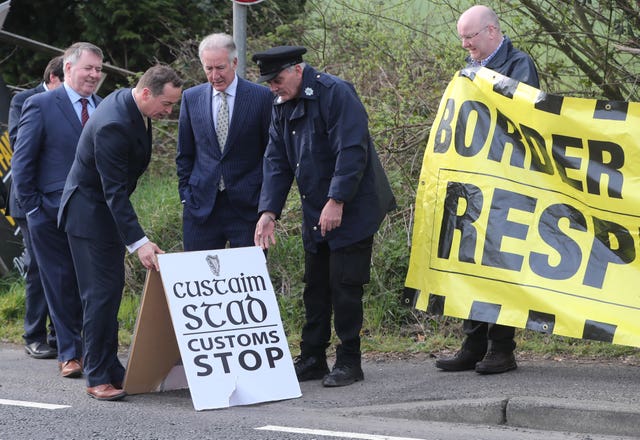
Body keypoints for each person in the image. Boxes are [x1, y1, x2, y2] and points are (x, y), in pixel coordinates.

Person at [252, 46, 396, 387]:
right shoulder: (281, 104)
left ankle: (349, 361)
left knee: (344, 286)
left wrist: (337, 199)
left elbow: (352, 149)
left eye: (277, 79)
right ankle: (313, 357)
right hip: (315, 208)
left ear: (298, 70)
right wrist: (268, 211)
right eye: (268, 82)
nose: (273, 87)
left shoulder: (335, 93)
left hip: (353, 207)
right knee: (315, 287)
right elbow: (276, 160)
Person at [58, 65, 183, 401]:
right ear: (145, 92)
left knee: (110, 293)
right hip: (88, 217)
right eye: (167, 104)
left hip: (105, 214)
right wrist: (139, 242)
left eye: (172, 105)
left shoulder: (133, 108)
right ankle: (97, 376)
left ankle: (111, 367)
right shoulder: (114, 123)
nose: (168, 112)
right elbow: (113, 191)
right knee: (99, 297)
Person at [435, 4, 540, 375]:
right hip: (475, 182)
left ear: (492, 32)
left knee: (501, 265)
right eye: (461, 38)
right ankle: (473, 343)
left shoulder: (520, 65)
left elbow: (522, 112)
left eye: (470, 37)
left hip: (509, 183)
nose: (465, 45)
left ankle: (501, 348)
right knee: (472, 262)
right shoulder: (469, 68)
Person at [11, 43, 104, 378]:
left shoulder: (104, 107)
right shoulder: (40, 104)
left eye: (98, 69)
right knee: (59, 283)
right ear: (67, 68)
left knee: (91, 284)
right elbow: (22, 164)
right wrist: (33, 209)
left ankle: (92, 350)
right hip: (48, 213)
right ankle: (69, 353)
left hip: (94, 213)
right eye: (88, 68)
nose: (94, 75)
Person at [176, 33, 273, 251]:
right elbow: (185, 153)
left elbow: (271, 155)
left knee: (248, 281)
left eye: (220, 67)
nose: (214, 75)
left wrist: (267, 205)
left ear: (234, 62)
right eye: (208, 69)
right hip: (200, 208)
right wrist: (186, 196)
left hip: (248, 209)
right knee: (200, 278)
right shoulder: (191, 98)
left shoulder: (262, 97)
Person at [7, 55, 64, 360]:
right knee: (39, 267)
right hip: (29, 199)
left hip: (63, 199)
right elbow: (20, 144)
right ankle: (34, 335)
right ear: (55, 78)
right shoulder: (24, 100)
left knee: (63, 266)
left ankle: (60, 333)